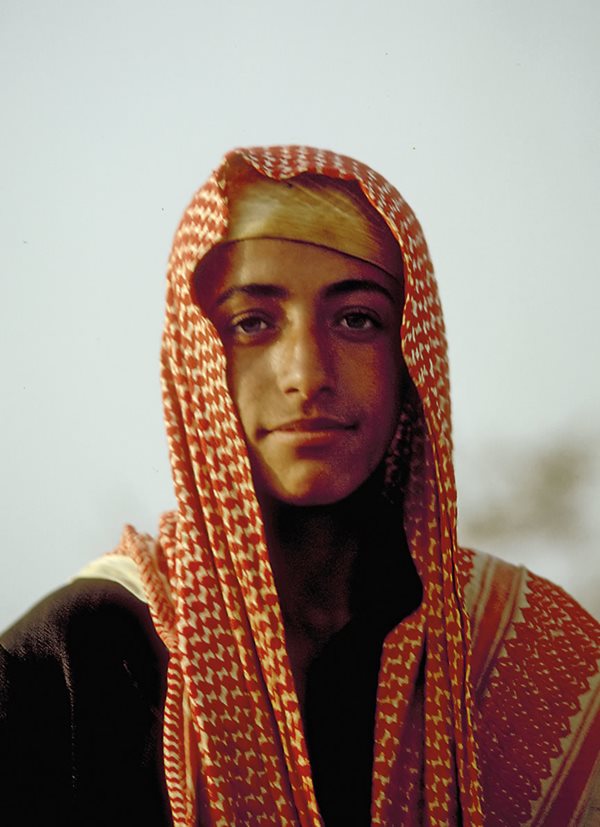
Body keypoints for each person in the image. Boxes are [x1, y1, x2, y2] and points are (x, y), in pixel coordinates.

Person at [1, 145, 598, 826]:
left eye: (356, 320)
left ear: (411, 361)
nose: (307, 372)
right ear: (198, 365)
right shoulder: (66, 663)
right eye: (252, 323)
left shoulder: (529, 658)